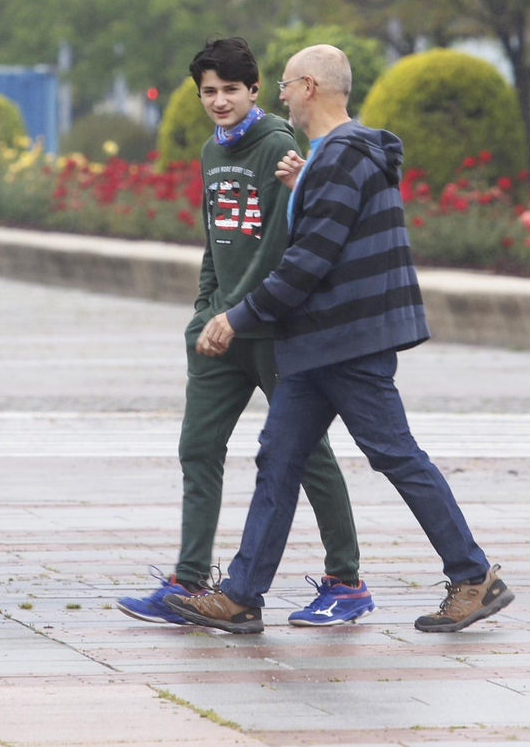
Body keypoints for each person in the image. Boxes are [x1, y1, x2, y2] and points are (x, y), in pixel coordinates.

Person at [163, 44, 513, 635]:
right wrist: (305, 184)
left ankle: (473, 576)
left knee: (395, 455)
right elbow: (334, 226)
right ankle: (243, 596)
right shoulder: (328, 158)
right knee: (278, 459)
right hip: (316, 343)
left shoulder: (343, 154)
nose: (278, 97)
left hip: (348, 341)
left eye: (281, 86)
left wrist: (236, 316)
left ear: (307, 87)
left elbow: (309, 261)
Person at [116, 36, 376, 628]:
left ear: (254, 90)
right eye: (209, 92)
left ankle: (347, 579)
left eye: (230, 90)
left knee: (307, 453)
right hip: (217, 331)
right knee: (198, 448)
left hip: (267, 330)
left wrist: (237, 313)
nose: (219, 102)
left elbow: (281, 245)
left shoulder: (277, 143)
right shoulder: (212, 152)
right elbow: (218, 241)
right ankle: (189, 581)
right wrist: (204, 309)